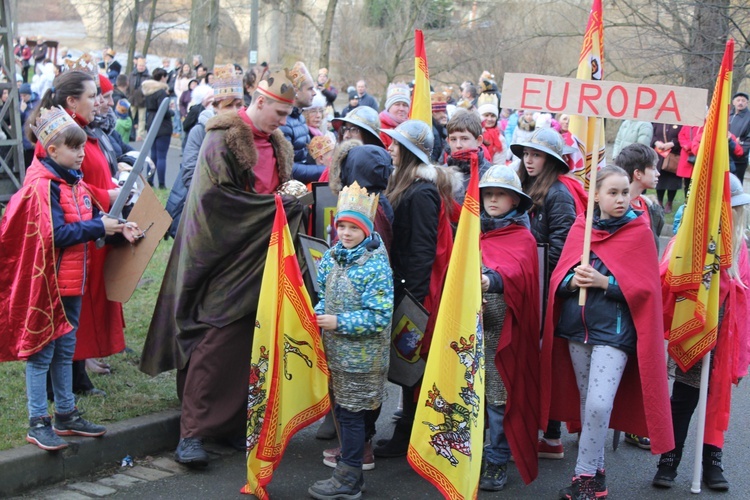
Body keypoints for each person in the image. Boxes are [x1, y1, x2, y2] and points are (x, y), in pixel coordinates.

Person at [140, 71, 301, 467]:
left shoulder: (278, 143)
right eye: (278, 113)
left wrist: (286, 200)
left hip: (259, 256)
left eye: (286, 115)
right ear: (259, 101)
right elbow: (215, 200)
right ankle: (192, 432)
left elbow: (273, 191)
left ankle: (229, 425)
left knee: (249, 342)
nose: (282, 122)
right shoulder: (221, 137)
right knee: (216, 338)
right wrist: (278, 206)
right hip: (220, 256)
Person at [0, 106, 140, 451]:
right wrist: (99, 226)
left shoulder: (74, 183)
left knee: (65, 351)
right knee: (41, 355)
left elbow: (92, 222)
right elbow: (56, 234)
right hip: (47, 286)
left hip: (73, 283)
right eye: (74, 148)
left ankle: (65, 414)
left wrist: (119, 228)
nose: (81, 153)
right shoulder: (43, 187)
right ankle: (37, 421)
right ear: (52, 151)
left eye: (81, 147)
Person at [542, 165, 673, 499]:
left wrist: (606, 283)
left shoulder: (639, 230)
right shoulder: (581, 227)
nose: (620, 199)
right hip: (576, 329)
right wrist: (572, 281)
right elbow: (559, 279)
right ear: (596, 195)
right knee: (589, 405)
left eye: (624, 192)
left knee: (600, 405)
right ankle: (596, 476)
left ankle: (583, 477)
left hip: (614, 333)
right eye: (612, 192)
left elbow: (645, 288)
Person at [652, 173, 750, 492]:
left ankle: (712, 460)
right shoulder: (689, 240)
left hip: (724, 336)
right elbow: (668, 276)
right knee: (684, 398)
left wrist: (731, 283)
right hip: (695, 330)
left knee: (717, 398)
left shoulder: (742, 248)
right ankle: (670, 459)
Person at [373, 120, 457, 458]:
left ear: (409, 152)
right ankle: (410, 433)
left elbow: (422, 251)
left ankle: (413, 436)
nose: (390, 149)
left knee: (415, 365)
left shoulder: (422, 192)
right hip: (410, 287)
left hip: (421, 293)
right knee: (409, 365)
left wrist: (412, 303)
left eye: (396, 145)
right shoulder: (407, 184)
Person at [308, 182, 394, 500]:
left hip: (363, 358)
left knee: (353, 415)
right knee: (344, 413)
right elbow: (322, 297)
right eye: (341, 226)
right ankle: (350, 471)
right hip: (335, 354)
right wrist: (317, 316)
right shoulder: (331, 258)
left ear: (366, 230)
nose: (345, 233)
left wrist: (338, 322)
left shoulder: (375, 266)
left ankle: (349, 476)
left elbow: (379, 317)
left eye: (353, 228)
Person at [513, 127, 586, 460]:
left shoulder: (558, 194)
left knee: (549, 360)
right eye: (526, 154)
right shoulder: (522, 186)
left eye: (536, 155)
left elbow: (563, 247)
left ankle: (552, 434)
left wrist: (538, 277)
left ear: (552, 160)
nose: (529, 160)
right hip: (524, 286)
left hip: (546, 290)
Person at [477, 165, 541, 491]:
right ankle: (473, 454)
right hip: (474, 331)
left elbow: (516, 274)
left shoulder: (522, 237)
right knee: (472, 394)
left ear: (515, 200)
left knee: (498, 399)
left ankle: (498, 458)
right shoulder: (474, 233)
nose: (493, 200)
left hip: (505, 333)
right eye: (488, 193)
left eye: (500, 194)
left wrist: (489, 280)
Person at [616, 143, 665, 253]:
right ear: (637, 173)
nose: (658, 174)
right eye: (653, 168)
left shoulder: (651, 207)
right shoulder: (616, 209)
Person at [280, 61, 319, 183]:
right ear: (296, 92)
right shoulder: (283, 122)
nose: (314, 93)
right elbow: (288, 168)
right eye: (310, 89)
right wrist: (324, 170)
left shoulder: (300, 117)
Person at [445, 109, 492, 205]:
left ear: (478, 140)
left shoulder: (490, 174)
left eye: (464, 138)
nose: (458, 145)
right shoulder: (442, 173)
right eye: (453, 139)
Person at [142, 67, 174, 189]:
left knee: (153, 154)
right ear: (162, 78)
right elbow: (164, 110)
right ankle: (161, 184)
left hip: (151, 121)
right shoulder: (161, 92)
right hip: (162, 125)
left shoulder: (148, 91)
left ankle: (149, 180)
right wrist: (172, 112)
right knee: (161, 156)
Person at [651, 122, 683, 213]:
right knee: (660, 179)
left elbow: (682, 136)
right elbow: (653, 134)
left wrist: (672, 143)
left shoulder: (680, 123)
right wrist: (656, 142)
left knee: (672, 180)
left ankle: (669, 202)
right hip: (660, 155)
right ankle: (659, 201)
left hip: (673, 155)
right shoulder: (659, 122)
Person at [378, 82, 411, 149]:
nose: (401, 109)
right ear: (389, 107)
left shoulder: (410, 127)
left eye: (405, 105)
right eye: (397, 104)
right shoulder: (379, 128)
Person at [477, 94, 505, 164]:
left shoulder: (500, 139)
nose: (489, 119)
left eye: (493, 116)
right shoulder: (473, 133)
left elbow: (499, 164)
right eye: (486, 115)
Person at [729, 91, 750, 182]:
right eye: (738, 100)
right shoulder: (728, 115)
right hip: (725, 155)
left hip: (739, 160)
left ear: (747, 103)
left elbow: (748, 140)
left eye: (743, 101)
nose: (740, 103)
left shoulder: (748, 118)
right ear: (733, 102)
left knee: (735, 184)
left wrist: (739, 144)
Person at [129, 57, 150, 141]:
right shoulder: (132, 74)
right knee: (130, 117)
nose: (141, 67)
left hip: (142, 100)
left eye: (142, 66)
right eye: (139, 65)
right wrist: (129, 96)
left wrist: (145, 98)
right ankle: (130, 133)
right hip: (132, 99)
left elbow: (148, 89)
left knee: (142, 119)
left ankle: (140, 135)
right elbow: (128, 85)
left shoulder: (148, 76)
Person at [431, 95, 448, 163]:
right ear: (434, 113)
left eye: (445, 112)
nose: (445, 115)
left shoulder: (442, 128)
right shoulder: (432, 132)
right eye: (442, 112)